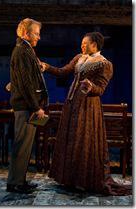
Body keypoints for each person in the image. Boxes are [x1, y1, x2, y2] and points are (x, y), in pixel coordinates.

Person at [43, 32, 131, 195]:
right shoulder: (79, 58)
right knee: (70, 140)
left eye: (85, 43)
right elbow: (63, 71)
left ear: (95, 45)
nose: (82, 46)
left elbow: (101, 89)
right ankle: (69, 179)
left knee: (83, 141)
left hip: (88, 107)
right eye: (82, 43)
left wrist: (91, 86)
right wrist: (47, 67)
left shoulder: (104, 64)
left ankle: (84, 180)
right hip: (71, 105)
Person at [7, 18, 48, 194]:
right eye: (36, 34)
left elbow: (24, 78)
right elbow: (26, 83)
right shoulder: (22, 50)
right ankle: (15, 183)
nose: (38, 37)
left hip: (27, 105)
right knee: (21, 145)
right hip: (26, 106)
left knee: (25, 146)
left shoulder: (26, 50)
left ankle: (20, 180)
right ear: (26, 33)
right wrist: (36, 107)